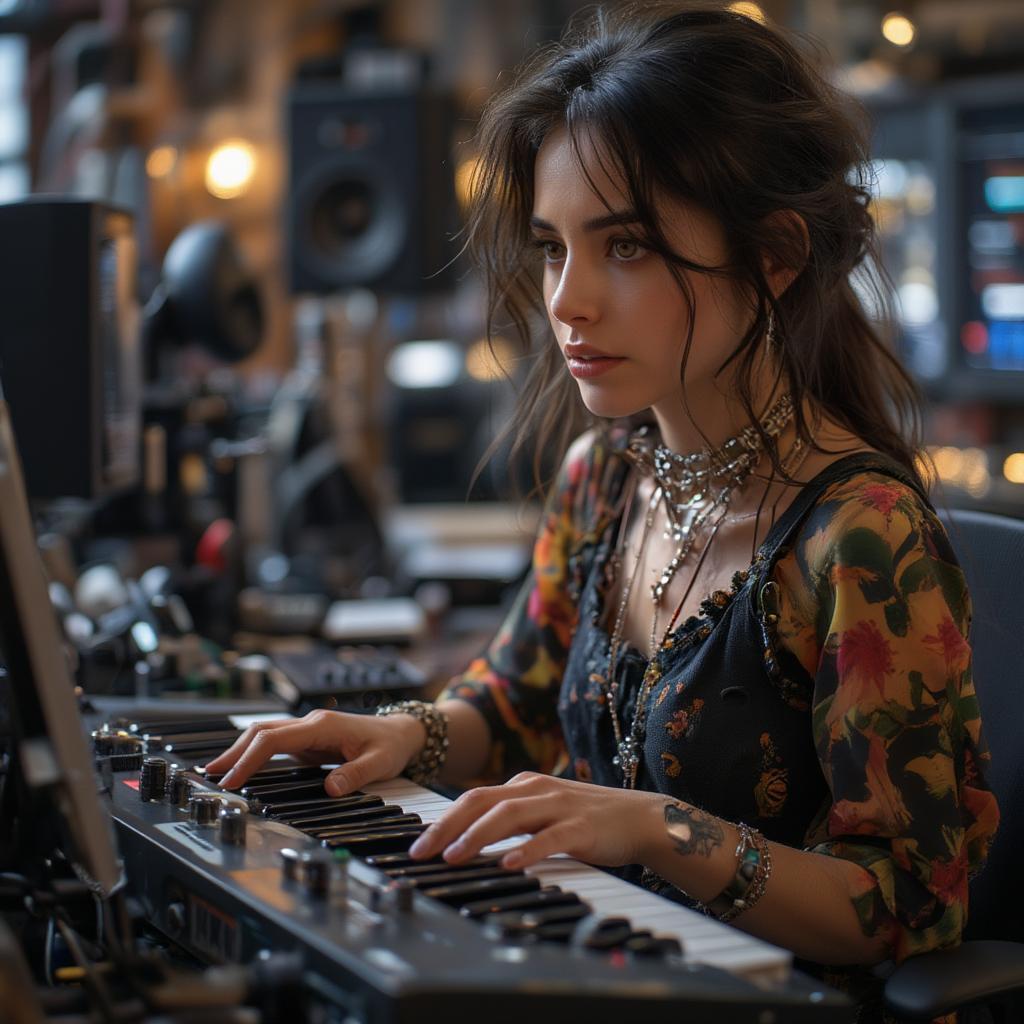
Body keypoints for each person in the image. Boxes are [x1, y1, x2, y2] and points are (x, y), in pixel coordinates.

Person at [207, 4, 998, 1020]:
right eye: (551, 248)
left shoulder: (860, 536)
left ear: (776, 255)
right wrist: (397, 734)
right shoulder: (605, 478)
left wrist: (654, 829)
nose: (568, 301)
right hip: (591, 973)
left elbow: (905, 909)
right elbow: (511, 703)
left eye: (623, 247)